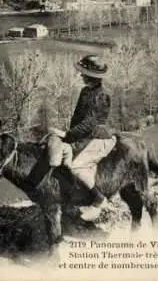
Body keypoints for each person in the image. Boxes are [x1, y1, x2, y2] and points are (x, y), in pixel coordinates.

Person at [48, 54, 116, 222]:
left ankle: (99, 200)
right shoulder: (85, 91)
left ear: (92, 75)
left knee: (76, 167)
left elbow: (90, 123)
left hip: (99, 137)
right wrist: (68, 136)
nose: (81, 75)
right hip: (85, 136)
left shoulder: (102, 95)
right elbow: (77, 117)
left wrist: (67, 134)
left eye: (84, 73)